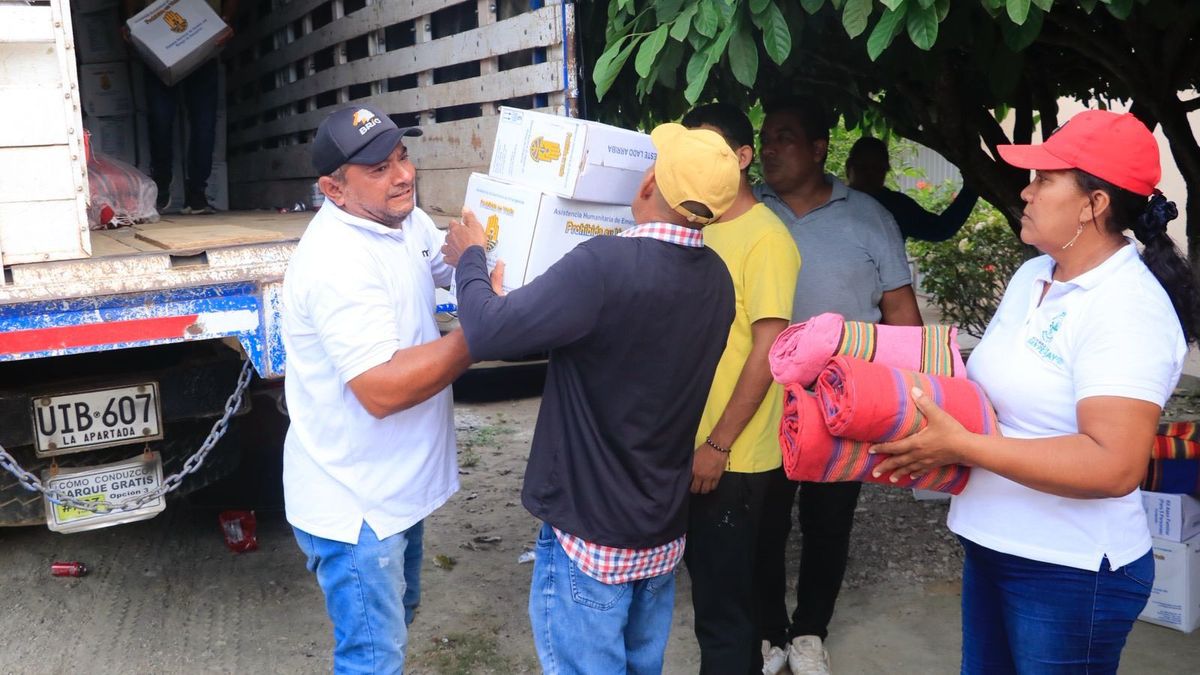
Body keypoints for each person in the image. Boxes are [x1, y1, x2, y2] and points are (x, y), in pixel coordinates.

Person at [871, 109, 1200, 673]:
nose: (1026, 191)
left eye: (1045, 179)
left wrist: (964, 446)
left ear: (1094, 204)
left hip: (1068, 570)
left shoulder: (1127, 306)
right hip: (991, 542)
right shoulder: (1034, 277)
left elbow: (1112, 465)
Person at [441, 123, 739, 674]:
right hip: (660, 532)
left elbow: (489, 333)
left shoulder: (605, 265)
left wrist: (470, 259)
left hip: (591, 536)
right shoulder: (717, 279)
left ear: (649, 181)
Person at [281, 105, 481, 673]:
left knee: (399, 617)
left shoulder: (401, 220)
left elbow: (444, 263)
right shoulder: (337, 262)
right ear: (333, 189)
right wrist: (480, 333)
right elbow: (381, 390)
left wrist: (478, 253)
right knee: (372, 658)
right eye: (378, 168)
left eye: (402, 156)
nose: (403, 175)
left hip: (397, 489)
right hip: (356, 506)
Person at [752, 96, 923, 675]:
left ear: (821, 148)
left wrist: (914, 398)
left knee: (829, 522)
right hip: (762, 400)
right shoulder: (750, 212)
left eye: (784, 135)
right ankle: (769, 634)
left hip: (842, 405)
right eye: (765, 137)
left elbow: (902, 314)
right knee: (764, 520)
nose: (769, 148)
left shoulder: (869, 216)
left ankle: (809, 633)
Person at [677, 103, 801, 675]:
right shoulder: (694, 230)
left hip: (736, 458)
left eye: (709, 152)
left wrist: (719, 445)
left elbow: (768, 353)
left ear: (743, 158)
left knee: (727, 616)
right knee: (712, 601)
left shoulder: (766, 239)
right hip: (689, 444)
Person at [122, 0, 238, 214]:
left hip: (203, 44)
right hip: (159, 47)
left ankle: (196, 191)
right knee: (160, 119)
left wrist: (226, 21)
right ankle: (162, 180)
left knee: (204, 123)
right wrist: (131, 24)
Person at [845, 136, 979, 242]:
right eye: (863, 168)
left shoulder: (895, 205)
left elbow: (939, 229)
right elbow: (940, 230)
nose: (870, 174)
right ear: (848, 167)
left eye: (877, 169)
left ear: (886, 171)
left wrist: (972, 188)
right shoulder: (831, 201)